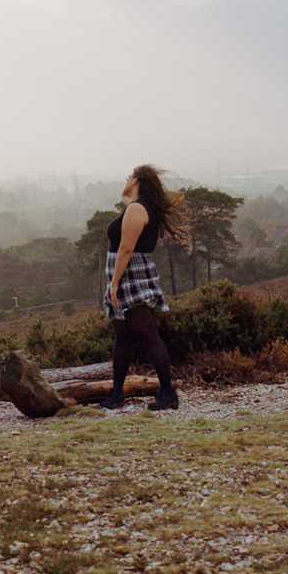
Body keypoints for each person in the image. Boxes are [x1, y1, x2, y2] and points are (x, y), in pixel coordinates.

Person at [103, 164, 187, 411]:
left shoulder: (137, 209)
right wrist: (129, 195)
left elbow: (126, 248)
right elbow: (127, 199)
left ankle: (168, 393)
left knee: (148, 335)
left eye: (128, 177)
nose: (126, 180)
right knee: (123, 337)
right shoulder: (137, 206)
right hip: (126, 273)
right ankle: (117, 393)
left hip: (131, 274)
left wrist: (115, 283)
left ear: (136, 179)